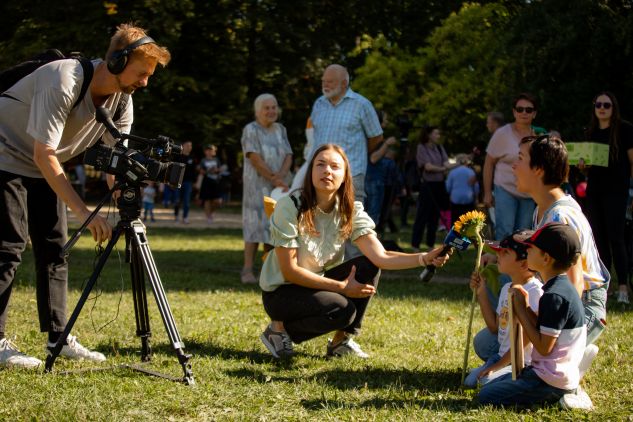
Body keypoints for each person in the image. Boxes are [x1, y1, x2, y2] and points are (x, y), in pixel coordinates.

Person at [0, 23, 170, 368]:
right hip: (5, 152)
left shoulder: (124, 100)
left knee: (56, 248)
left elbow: (116, 163)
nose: (145, 82)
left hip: (40, 162)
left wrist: (129, 208)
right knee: (8, 247)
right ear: (118, 62)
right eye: (141, 73)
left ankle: (58, 336)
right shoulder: (64, 79)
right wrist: (85, 212)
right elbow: (43, 153)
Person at [258, 144, 450, 358]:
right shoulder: (290, 206)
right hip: (281, 292)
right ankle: (278, 330)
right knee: (343, 310)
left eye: (334, 166)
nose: (327, 171)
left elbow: (381, 256)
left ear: (344, 177)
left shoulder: (349, 209)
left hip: (314, 283)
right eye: (320, 165)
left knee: (369, 266)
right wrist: (341, 287)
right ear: (311, 171)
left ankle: (340, 343)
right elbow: (290, 271)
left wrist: (424, 258)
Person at [477, 134, 608, 408]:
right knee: (485, 343)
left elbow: (571, 291)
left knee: (507, 356)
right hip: (554, 303)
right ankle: (566, 365)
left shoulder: (561, 217)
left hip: (582, 309)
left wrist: (535, 324)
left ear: (538, 169)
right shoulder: (543, 209)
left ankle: (567, 376)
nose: (514, 165)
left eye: (521, 159)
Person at [478, 223, 587, 407]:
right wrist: (527, 307)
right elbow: (542, 330)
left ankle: (564, 396)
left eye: (531, 248)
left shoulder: (555, 296)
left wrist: (521, 308)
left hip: (550, 380)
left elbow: (544, 347)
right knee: (489, 385)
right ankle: (566, 391)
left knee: (487, 395)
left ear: (545, 258)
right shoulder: (557, 288)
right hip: (545, 371)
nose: (527, 252)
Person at [464, 231, 543, 389]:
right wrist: (481, 292)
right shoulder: (507, 287)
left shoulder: (534, 291)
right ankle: (494, 374)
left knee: (483, 382)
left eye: (505, 252)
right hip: (501, 356)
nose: (498, 255)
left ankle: (513, 378)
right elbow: (494, 327)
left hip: (522, 362)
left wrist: (496, 366)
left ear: (524, 264)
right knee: (470, 382)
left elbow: (526, 340)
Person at [581, 92, 633, 304]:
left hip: (618, 191)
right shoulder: (590, 131)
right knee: (598, 239)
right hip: (594, 192)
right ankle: (604, 285)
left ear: (614, 108)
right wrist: (583, 167)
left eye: (607, 105)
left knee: (616, 238)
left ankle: (623, 286)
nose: (602, 108)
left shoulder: (625, 129)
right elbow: (588, 168)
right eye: (598, 104)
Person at [310, 64, 383, 203]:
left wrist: (360, 155)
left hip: (351, 174)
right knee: (320, 221)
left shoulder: (361, 104)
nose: (325, 85)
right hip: (320, 175)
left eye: (330, 81)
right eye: (323, 81)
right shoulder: (319, 104)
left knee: (348, 222)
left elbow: (376, 136)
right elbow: (314, 136)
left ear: (344, 83)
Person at [240, 93, 293, 284]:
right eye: (267, 108)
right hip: (257, 187)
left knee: (273, 227)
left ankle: (267, 269)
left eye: (274, 107)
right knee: (254, 227)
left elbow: (288, 155)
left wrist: (279, 177)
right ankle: (247, 270)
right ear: (257, 111)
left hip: (279, 187)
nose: (271, 111)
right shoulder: (250, 130)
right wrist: (273, 177)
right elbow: (254, 158)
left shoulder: (281, 129)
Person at [483, 93, 538, 241]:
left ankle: (519, 264)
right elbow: (488, 163)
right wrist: (487, 193)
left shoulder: (538, 136)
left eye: (528, 109)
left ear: (534, 113)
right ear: (514, 112)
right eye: (519, 109)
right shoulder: (502, 133)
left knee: (524, 235)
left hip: (528, 193)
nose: (524, 113)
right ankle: (501, 264)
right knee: (505, 232)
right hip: (505, 189)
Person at [411, 126, 450, 251]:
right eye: (436, 133)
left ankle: (430, 244)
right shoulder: (421, 148)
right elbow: (428, 167)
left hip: (439, 184)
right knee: (422, 214)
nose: (438, 136)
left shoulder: (439, 148)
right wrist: (443, 169)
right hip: (427, 185)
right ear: (428, 135)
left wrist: (460, 162)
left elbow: (446, 164)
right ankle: (415, 244)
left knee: (435, 215)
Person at [445, 154, 479, 226]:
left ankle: (456, 236)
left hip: (455, 201)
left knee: (455, 222)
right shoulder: (471, 172)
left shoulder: (452, 172)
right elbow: (476, 187)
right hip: (468, 200)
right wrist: (476, 197)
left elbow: (448, 187)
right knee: (468, 222)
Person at [198, 144, 223, 224]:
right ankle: (208, 217)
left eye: (211, 150)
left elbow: (220, 169)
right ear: (205, 152)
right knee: (207, 200)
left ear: (214, 152)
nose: (209, 152)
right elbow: (201, 171)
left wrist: (217, 170)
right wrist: (207, 171)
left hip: (216, 181)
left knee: (218, 201)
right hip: (207, 181)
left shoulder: (217, 160)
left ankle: (211, 212)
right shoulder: (203, 160)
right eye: (208, 150)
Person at [173, 141, 196, 224]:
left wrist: (194, 182)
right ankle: (176, 217)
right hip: (177, 182)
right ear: (182, 146)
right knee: (177, 200)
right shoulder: (177, 157)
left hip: (188, 182)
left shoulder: (192, 158)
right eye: (187, 145)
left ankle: (185, 218)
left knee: (186, 201)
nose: (189, 147)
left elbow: (194, 171)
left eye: (190, 145)